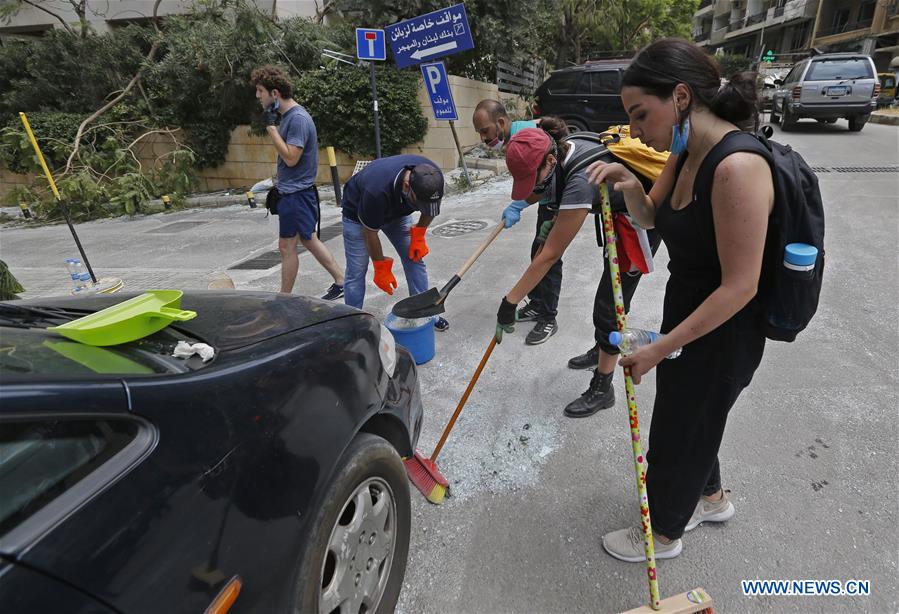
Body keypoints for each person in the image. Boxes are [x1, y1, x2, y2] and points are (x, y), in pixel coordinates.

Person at [581, 38, 773, 562]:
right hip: (689, 307)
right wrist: (626, 182)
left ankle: (663, 534)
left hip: (727, 323)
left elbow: (741, 286)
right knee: (693, 415)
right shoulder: (685, 151)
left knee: (680, 424)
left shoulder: (737, 167)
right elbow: (651, 218)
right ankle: (710, 499)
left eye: (641, 114)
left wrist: (662, 347)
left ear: (682, 97)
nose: (636, 131)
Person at [472, 99, 563, 345]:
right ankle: (536, 302)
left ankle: (548, 317)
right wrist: (520, 203)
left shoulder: (524, 137)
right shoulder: (516, 134)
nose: (483, 138)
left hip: (556, 198)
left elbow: (546, 180)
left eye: (485, 130)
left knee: (548, 259)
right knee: (537, 251)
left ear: (500, 122)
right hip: (546, 200)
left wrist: (519, 204)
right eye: (479, 133)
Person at [250, 65, 345, 300]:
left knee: (286, 247)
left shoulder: (298, 119)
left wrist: (271, 129)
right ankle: (342, 281)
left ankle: (284, 298)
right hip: (293, 193)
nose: (257, 96)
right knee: (308, 239)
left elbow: (292, 158)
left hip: (297, 195)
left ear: (274, 93)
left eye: (260, 91)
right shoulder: (290, 117)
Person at [340, 154, 449, 331]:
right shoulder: (376, 191)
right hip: (358, 216)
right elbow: (370, 232)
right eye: (419, 203)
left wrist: (419, 234)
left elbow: (431, 208)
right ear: (407, 186)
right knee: (356, 270)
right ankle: (352, 324)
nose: (423, 208)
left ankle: (425, 312)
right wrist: (381, 267)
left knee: (414, 258)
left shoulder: (432, 178)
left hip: (397, 213)